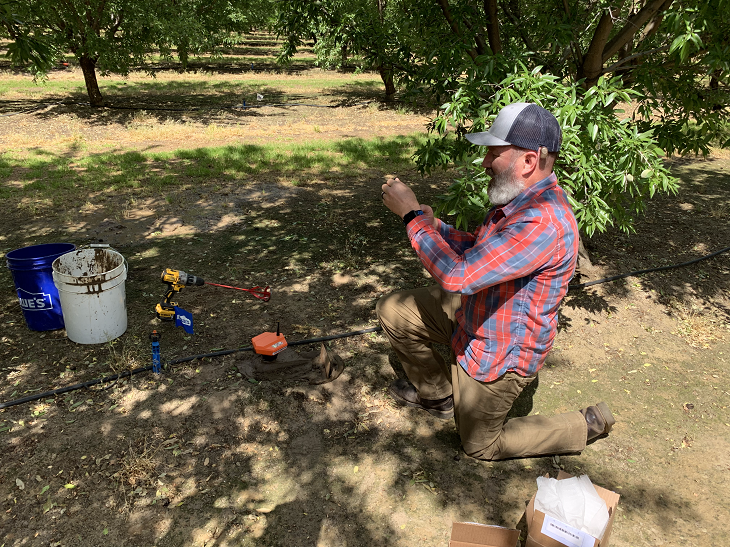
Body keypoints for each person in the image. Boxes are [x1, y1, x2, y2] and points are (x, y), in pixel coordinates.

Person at [377, 102, 614, 461]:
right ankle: (440, 395)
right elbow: (479, 252)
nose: (485, 163)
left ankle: (584, 424)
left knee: (480, 446)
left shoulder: (541, 221)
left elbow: (457, 276)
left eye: (493, 153)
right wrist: (433, 224)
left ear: (529, 161)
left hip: (499, 350)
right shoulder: (520, 202)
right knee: (395, 310)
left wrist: (411, 216)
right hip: (475, 313)